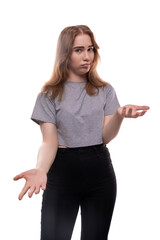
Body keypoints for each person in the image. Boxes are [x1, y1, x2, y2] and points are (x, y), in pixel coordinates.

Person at [13, 25, 150, 240]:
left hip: (99, 172)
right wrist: (41, 169)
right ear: (65, 54)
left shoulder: (105, 90)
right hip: (62, 173)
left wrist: (119, 115)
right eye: (78, 50)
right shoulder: (49, 94)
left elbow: (104, 137)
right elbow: (49, 141)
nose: (87, 57)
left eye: (90, 49)